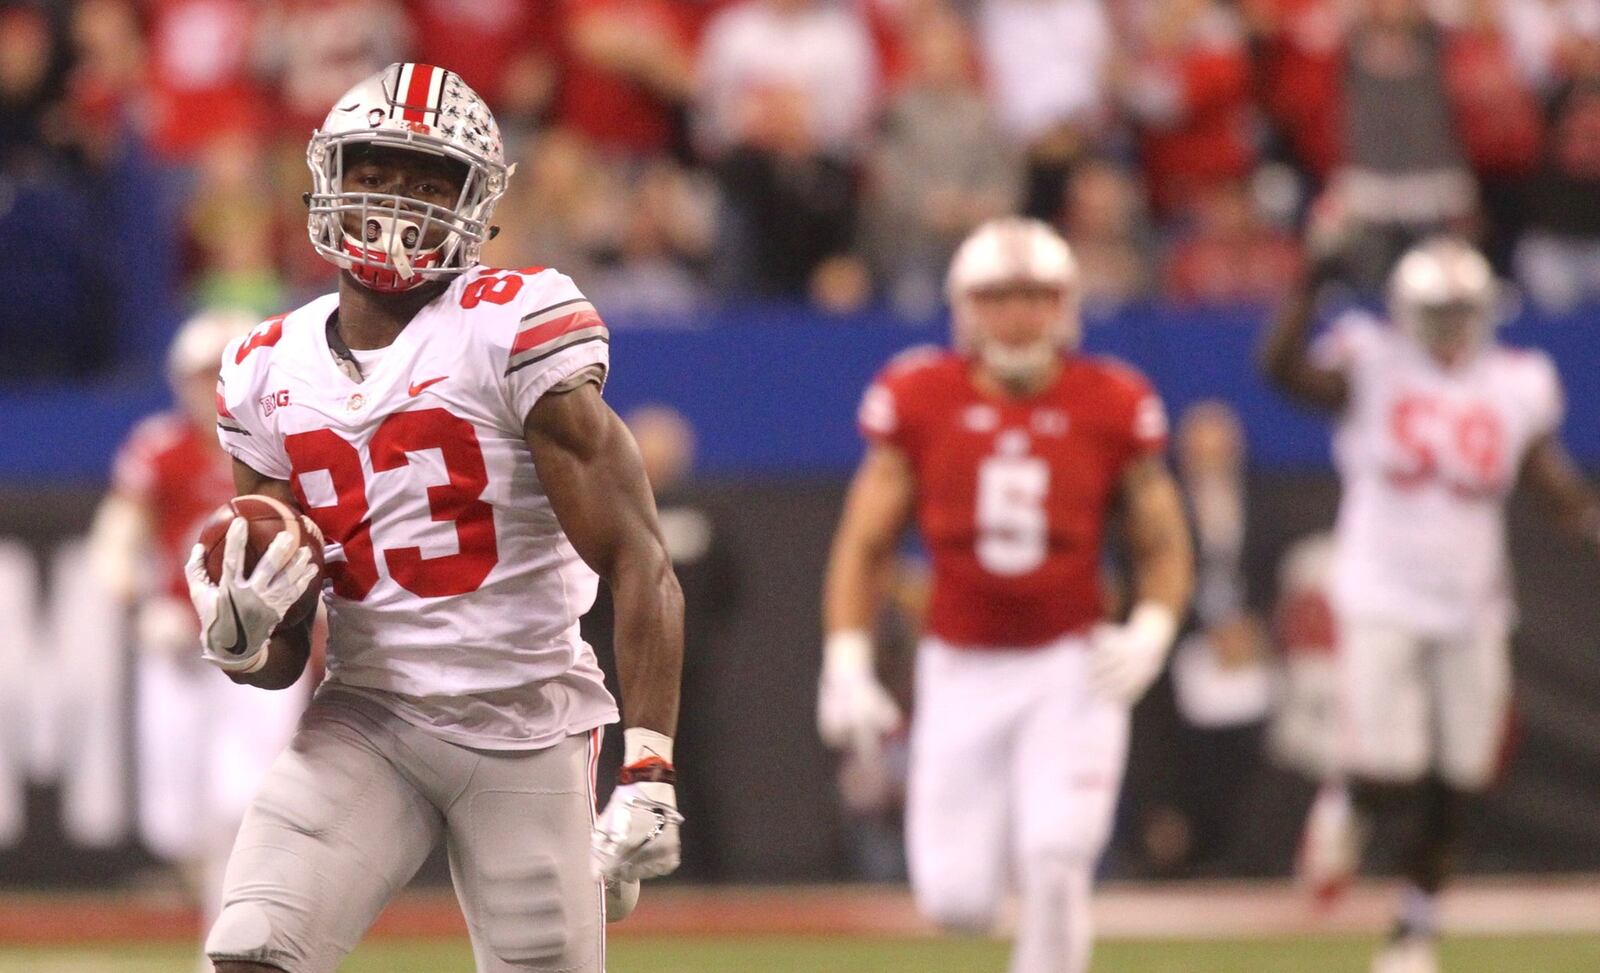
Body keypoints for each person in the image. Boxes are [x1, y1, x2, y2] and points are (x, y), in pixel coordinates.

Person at [180, 63, 685, 973]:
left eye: (429, 180)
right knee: (254, 949)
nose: (397, 201)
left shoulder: (511, 324)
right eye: (376, 171)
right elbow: (281, 655)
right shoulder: (263, 364)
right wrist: (245, 636)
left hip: (525, 725)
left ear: (477, 202)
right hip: (369, 715)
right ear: (331, 176)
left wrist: (648, 766)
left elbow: (638, 555)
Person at [817, 216, 1194, 973]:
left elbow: (1162, 540)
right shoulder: (919, 394)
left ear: (1066, 305)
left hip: (1071, 663)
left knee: (1058, 854)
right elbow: (865, 542)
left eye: (1035, 296)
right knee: (955, 899)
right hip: (960, 664)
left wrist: (1152, 628)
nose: (1019, 315)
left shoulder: (1113, 399)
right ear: (964, 307)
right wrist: (847, 660)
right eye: (999, 297)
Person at [1260, 236, 1600, 973]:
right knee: (1391, 761)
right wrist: (1308, 284)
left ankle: (1415, 928)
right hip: (1381, 590)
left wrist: (1587, 517)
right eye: (1436, 311)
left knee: (1463, 773)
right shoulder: (1373, 363)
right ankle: (1349, 798)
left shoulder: (1517, 380)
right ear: (1406, 311)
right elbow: (1282, 372)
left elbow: (1549, 484)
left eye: (1461, 311)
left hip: (1473, 601)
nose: (1449, 327)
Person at [88, 308, 312, 972]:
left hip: (269, 649)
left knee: (243, 802)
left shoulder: (292, 445)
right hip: (184, 649)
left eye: (220, 371)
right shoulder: (161, 446)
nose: (208, 387)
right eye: (198, 373)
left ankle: (227, 944)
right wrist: (131, 598)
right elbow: (118, 532)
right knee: (177, 821)